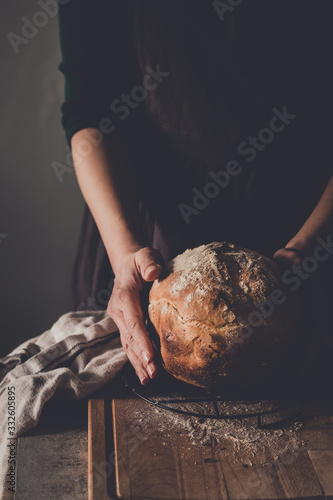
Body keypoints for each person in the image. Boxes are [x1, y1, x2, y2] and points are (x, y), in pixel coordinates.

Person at [58, 0, 333, 386]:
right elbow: (87, 111)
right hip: (147, 227)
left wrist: (308, 243)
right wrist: (125, 256)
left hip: (305, 224)